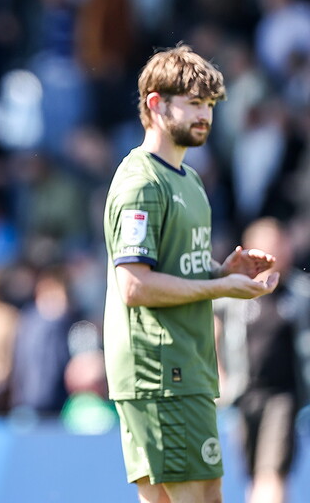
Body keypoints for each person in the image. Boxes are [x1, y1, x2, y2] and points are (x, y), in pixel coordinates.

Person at [102, 44, 279, 503]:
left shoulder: (191, 180)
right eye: (194, 103)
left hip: (187, 367)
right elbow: (135, 285)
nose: (205, 115)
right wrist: (221, 286)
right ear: (156, 104)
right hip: (160, 372)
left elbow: (177, 271)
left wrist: (222, 270)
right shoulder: (141, 182)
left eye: (210, 105)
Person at [217, 217, 308, 503]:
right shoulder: (235, 294)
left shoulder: (299, 294)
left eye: (279, 245)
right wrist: (220, 376)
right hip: (243, 395)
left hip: (283, 396)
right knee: (256, 477)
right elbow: (211, 326)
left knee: (272, 473)